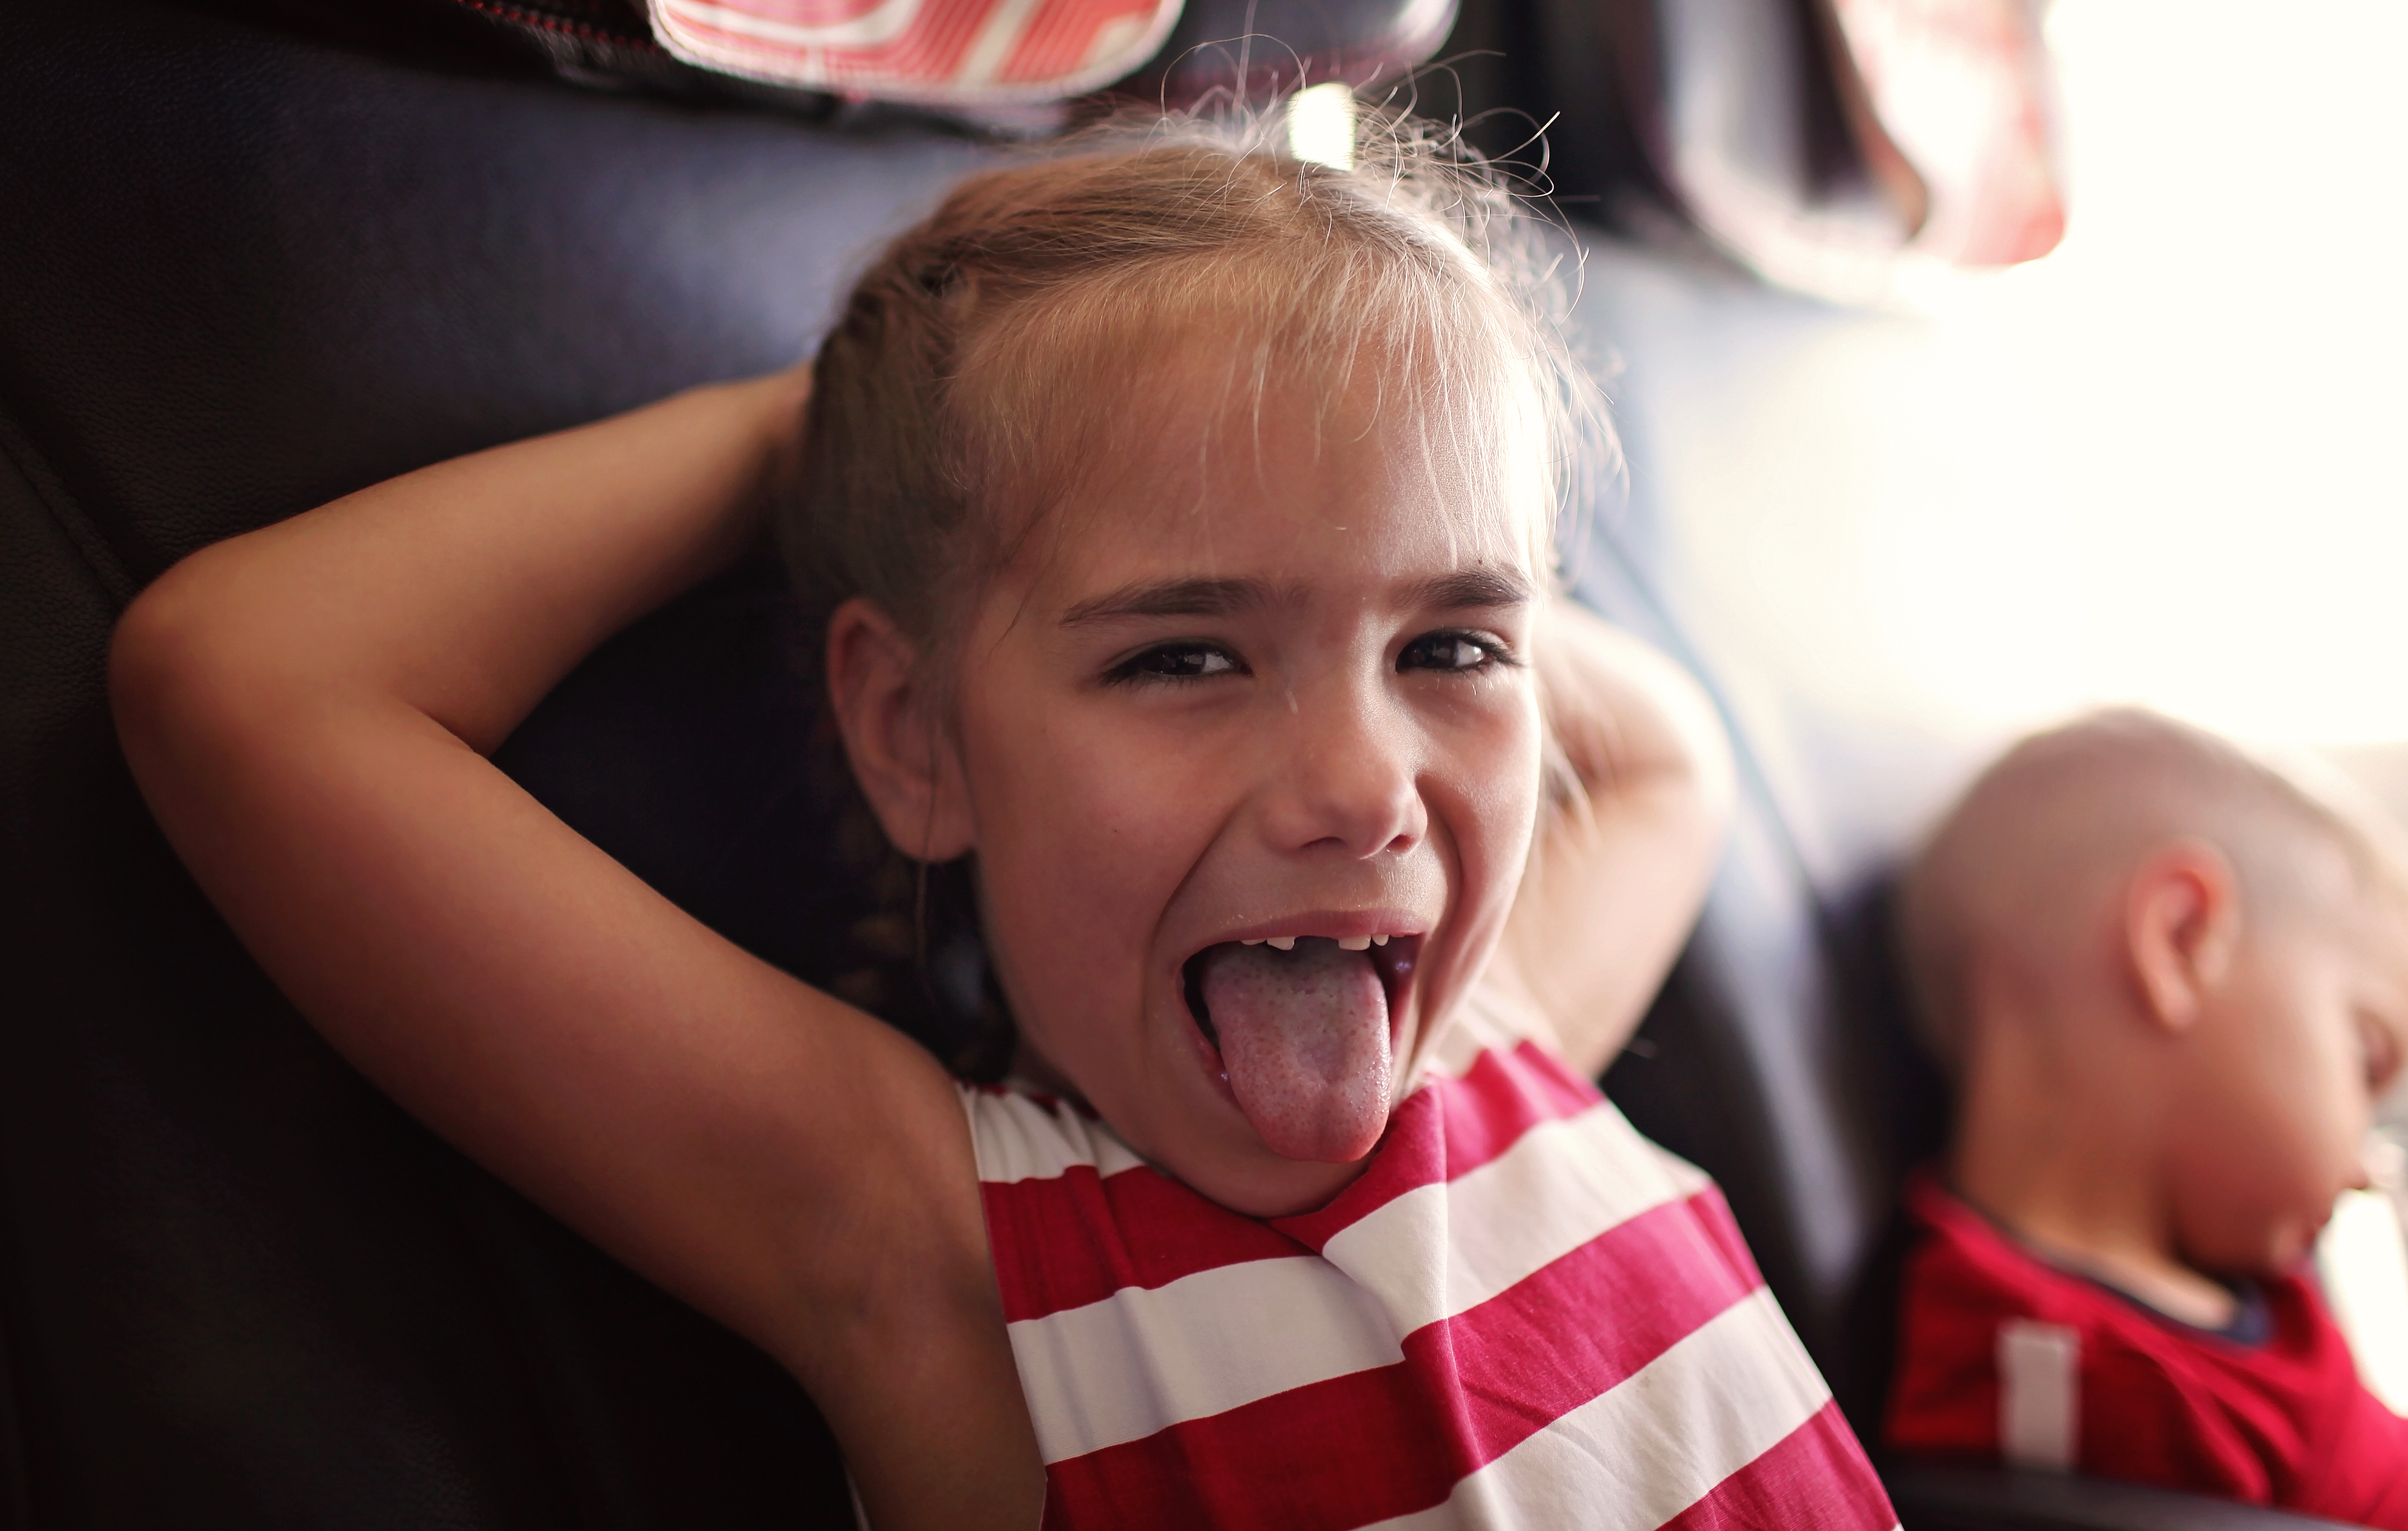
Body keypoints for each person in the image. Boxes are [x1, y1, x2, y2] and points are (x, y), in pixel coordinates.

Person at [109, 104, 1894, 1530]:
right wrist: (795, 440)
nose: (1366, 794)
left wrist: (1367, 502)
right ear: (916, 738)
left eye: (1452, 646)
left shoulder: (1506, 1031)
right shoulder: (942, 1255)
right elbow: (252, 680)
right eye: (1184, 657)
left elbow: (1664, 759)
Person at [1886, 707, 2408, 1526]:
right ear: (2183, 941)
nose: (2366, 1167)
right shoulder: (2052, 1372)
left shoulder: (2227, 1283)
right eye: (2366, 1062)